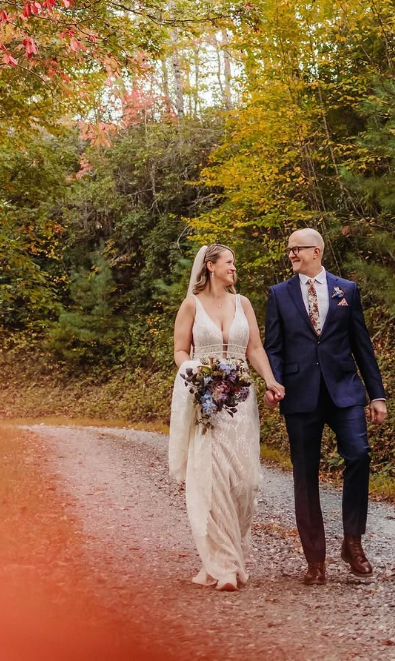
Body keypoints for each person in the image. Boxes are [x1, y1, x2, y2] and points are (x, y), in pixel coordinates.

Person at [264, 227, 387, 586]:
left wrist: (376, 394)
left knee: (359, 455)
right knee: (304, 475)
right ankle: (315, 560)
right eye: (288, 250)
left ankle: (353, 542)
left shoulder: (346, 290)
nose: (291, 255)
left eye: (296, 249)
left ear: (316, 251)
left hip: (345, 391)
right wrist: (274, 381)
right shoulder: (279, 294)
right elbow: (273, 345)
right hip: (300, 394)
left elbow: (362, 345)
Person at [168, 243, 285, 591]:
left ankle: (226, 557)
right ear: (211, 266)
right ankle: (224, 568)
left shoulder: (243, 303)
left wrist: (270, 378)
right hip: (206, 401)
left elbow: (254, 348)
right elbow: (179, 350)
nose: (235, 268)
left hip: (241, 400)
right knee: (212, 479)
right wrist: (196, 373)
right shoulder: (191, 304)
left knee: (244, 484)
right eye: (230, 262)